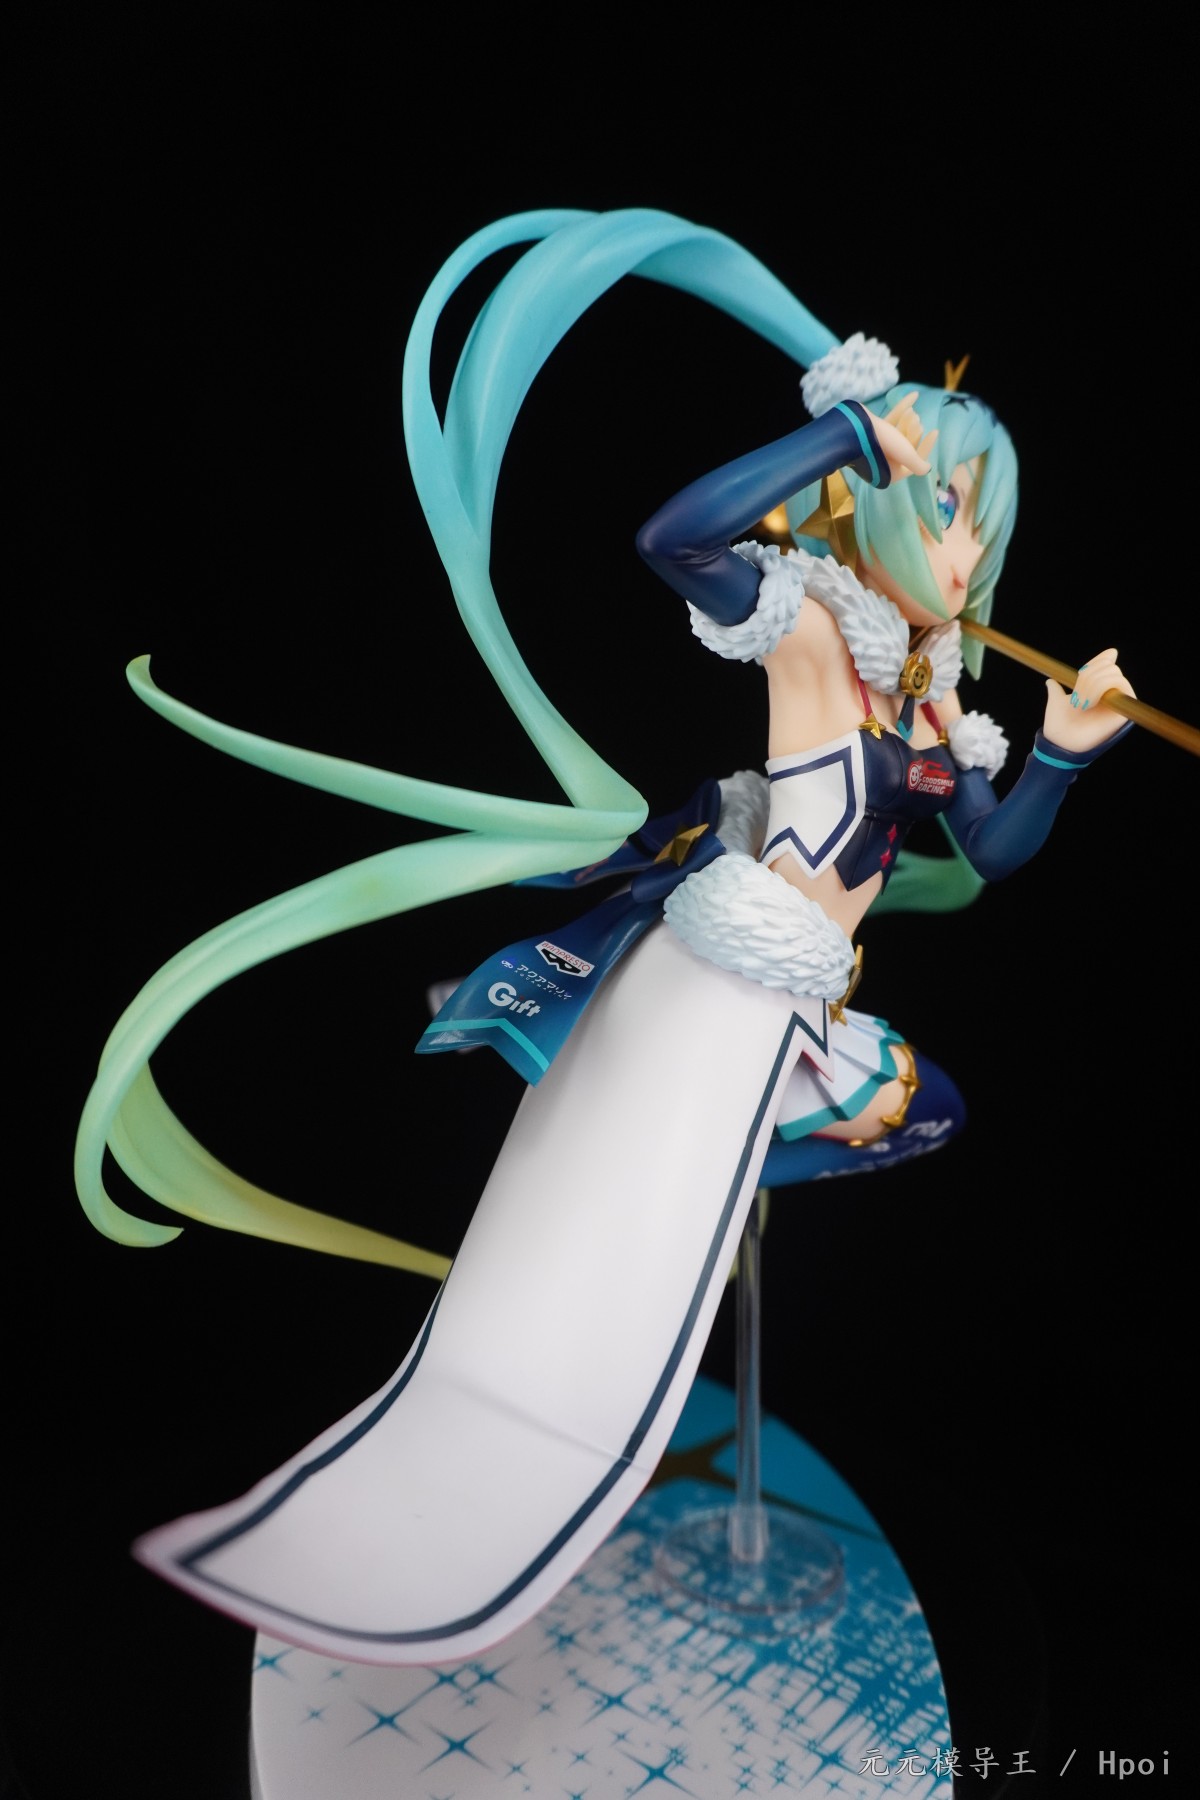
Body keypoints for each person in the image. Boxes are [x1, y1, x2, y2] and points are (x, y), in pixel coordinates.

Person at [75, 208, 1134, 1664]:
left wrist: (1065, 750)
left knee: (922, 1110)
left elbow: (995, 851)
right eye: (947, 507)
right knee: (603, 1298)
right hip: (727, 982)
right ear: (883, 501)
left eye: (980, 526)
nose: (962, 548)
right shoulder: (815, 635)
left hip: (802, 1001)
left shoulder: (930, 692)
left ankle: (719, 1189)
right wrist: (841, 436)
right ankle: (504, 1441)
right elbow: (670, 537)